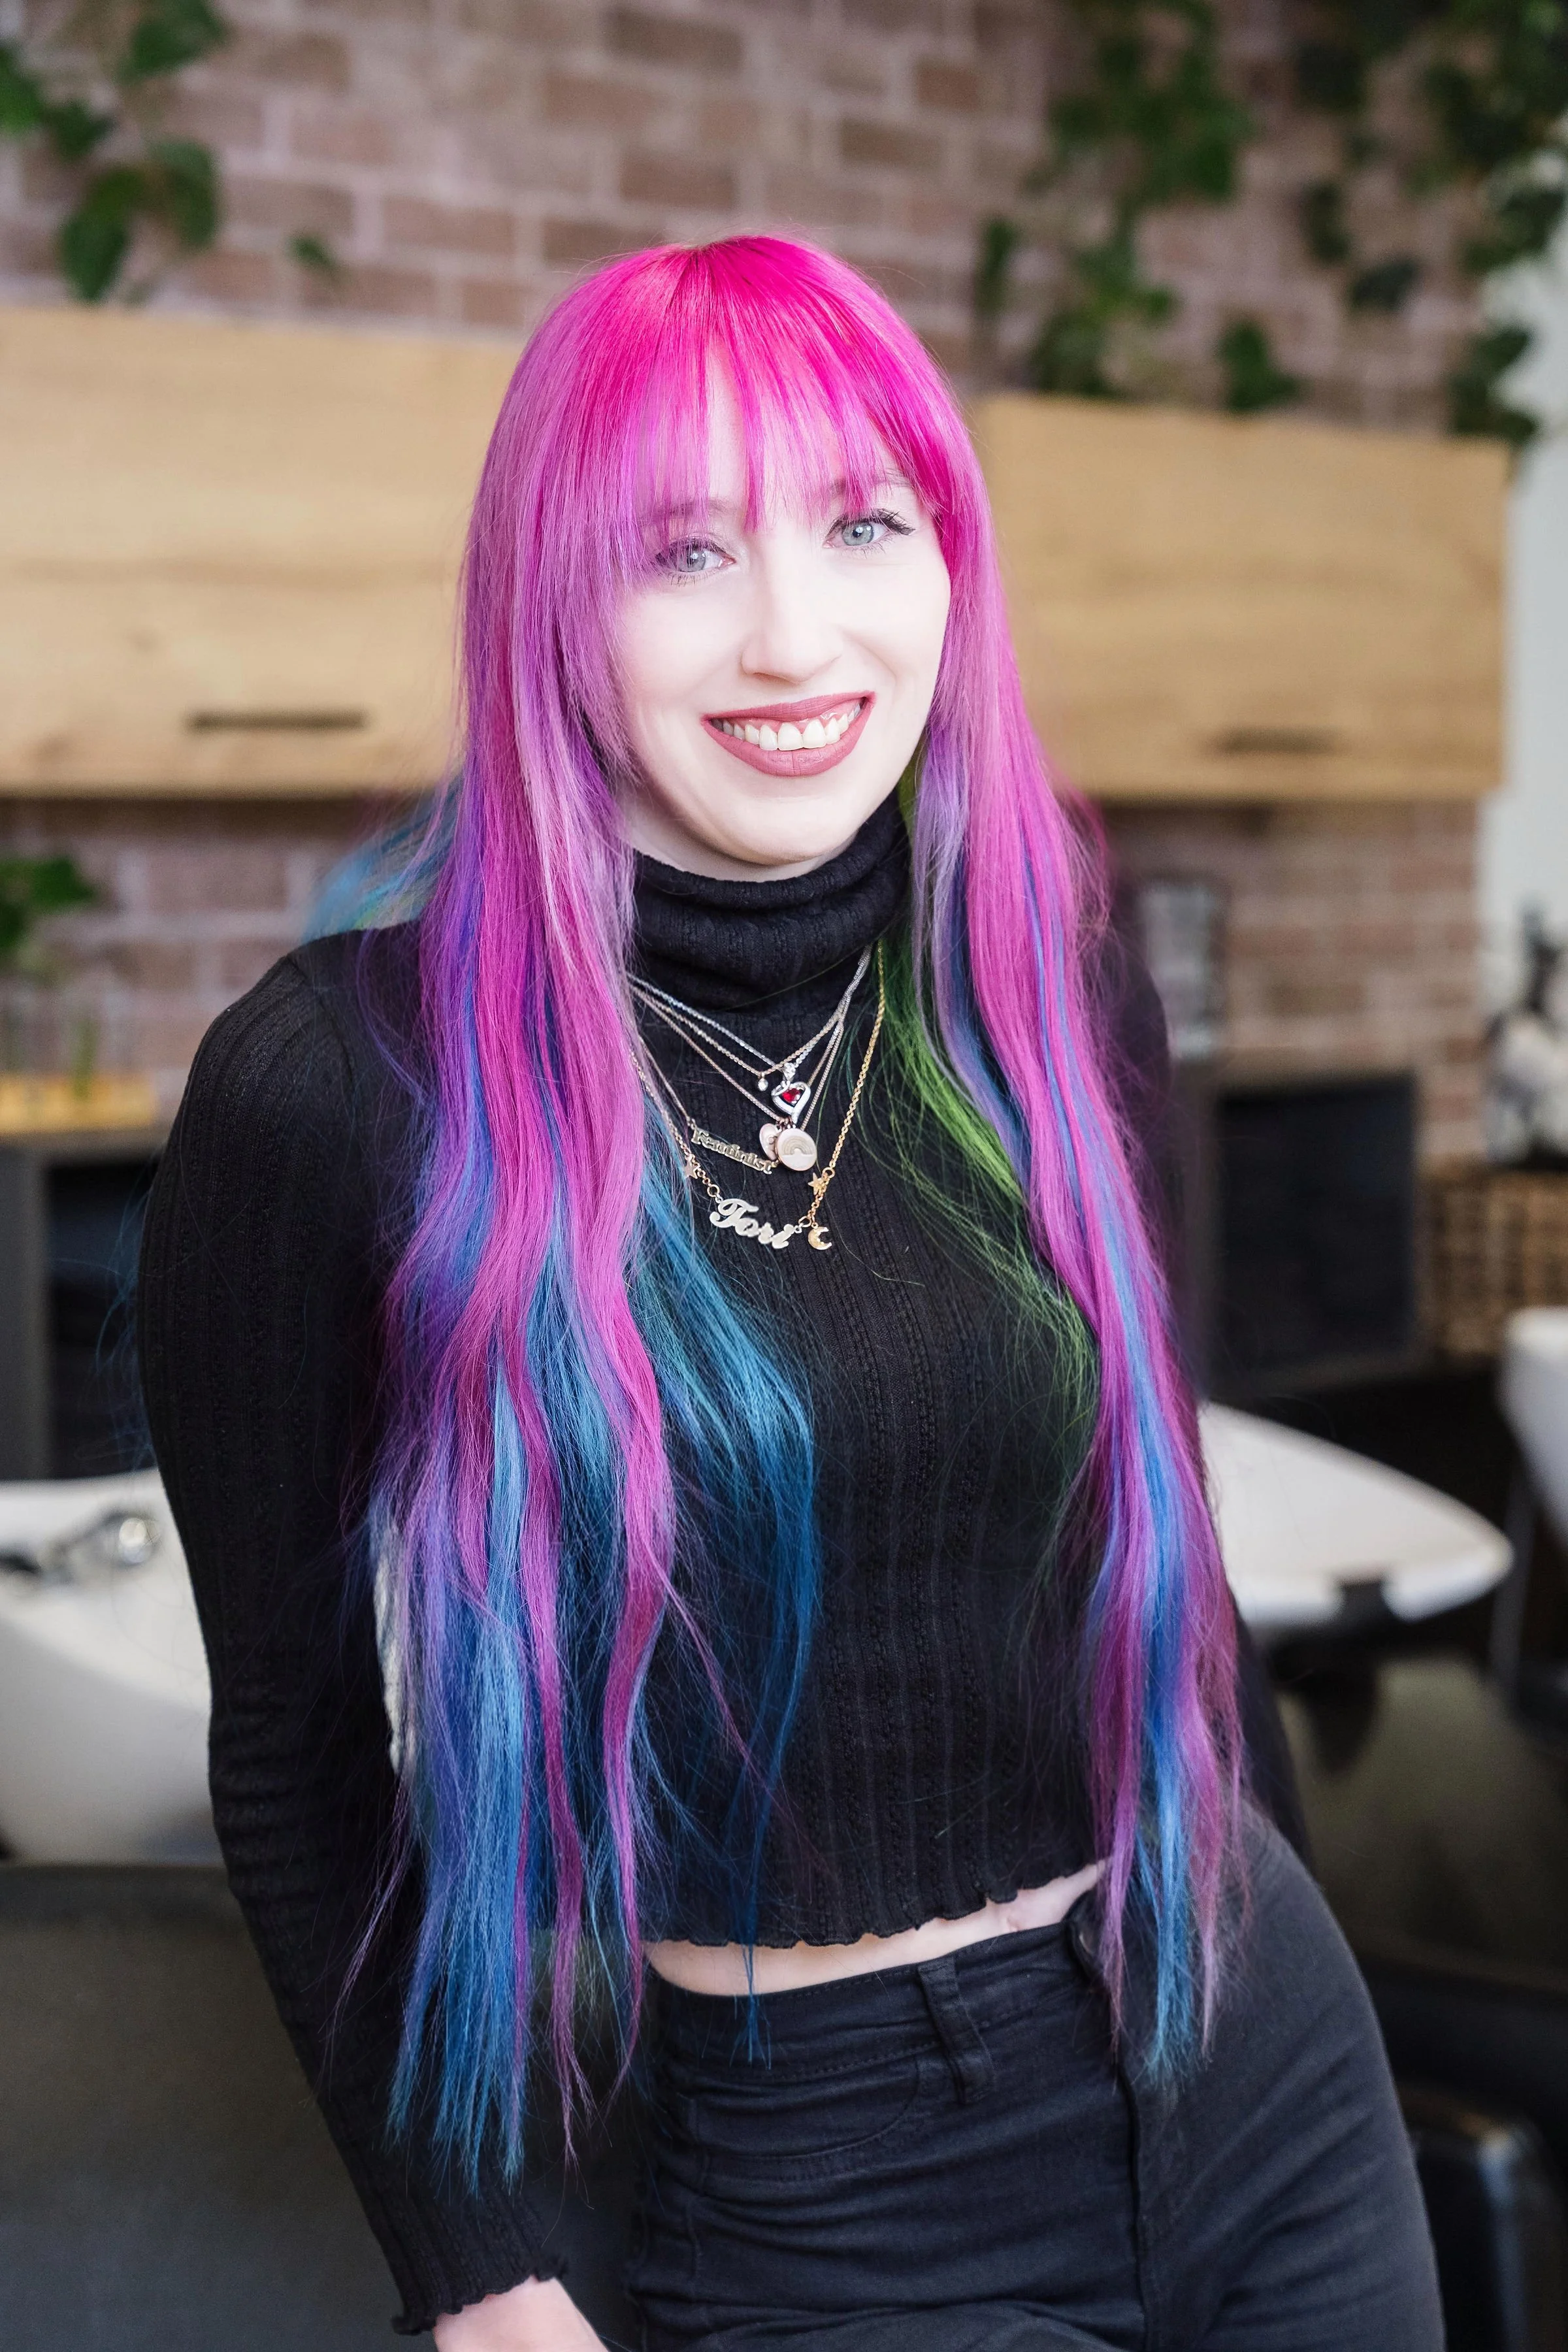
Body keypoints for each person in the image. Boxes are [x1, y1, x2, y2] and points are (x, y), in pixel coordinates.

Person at [139, 237, 1439, 2351]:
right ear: (555, 599)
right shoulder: (338, 1090)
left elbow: (1163, 1558)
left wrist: (1300, 1949)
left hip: (1246, 2055)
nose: (792, 632)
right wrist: (480, 2268)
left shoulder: (1044, 974)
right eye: (683, 552)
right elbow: (300, 1760)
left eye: (863, 523)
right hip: (822, 2190)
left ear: (951, 565)